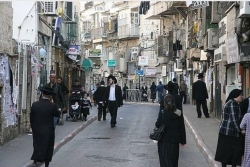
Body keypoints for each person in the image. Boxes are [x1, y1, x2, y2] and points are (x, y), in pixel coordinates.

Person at [30, 86, 61, 167]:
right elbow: (58, 114)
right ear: (50, 96)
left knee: (37, 144)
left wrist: (33, 127)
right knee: (48, 146)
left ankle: (36, 160)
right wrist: (54, 104)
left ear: (42, 94)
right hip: (48, 130)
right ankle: (46, 164)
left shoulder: (35, 105)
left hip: (37, 129)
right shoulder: (52, 106)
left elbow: (31, 118)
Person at [215, 89, 244, 167]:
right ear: (236, 95)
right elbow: (234, 119)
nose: (242, 97)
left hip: (226, 131)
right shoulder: (232, 103)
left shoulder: (234, 103)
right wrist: (240, 130)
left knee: (226, 151)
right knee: (236, 150)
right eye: (241, 95)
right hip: (229, 132)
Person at [155, 94, 186, 167]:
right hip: (174, 141)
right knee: (173, 162)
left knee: (164, 162)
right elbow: (182, 127)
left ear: (164, 103)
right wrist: (183, 141)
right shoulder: (179, 113)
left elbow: (157, 124)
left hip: (163, 140)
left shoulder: (163, 112)